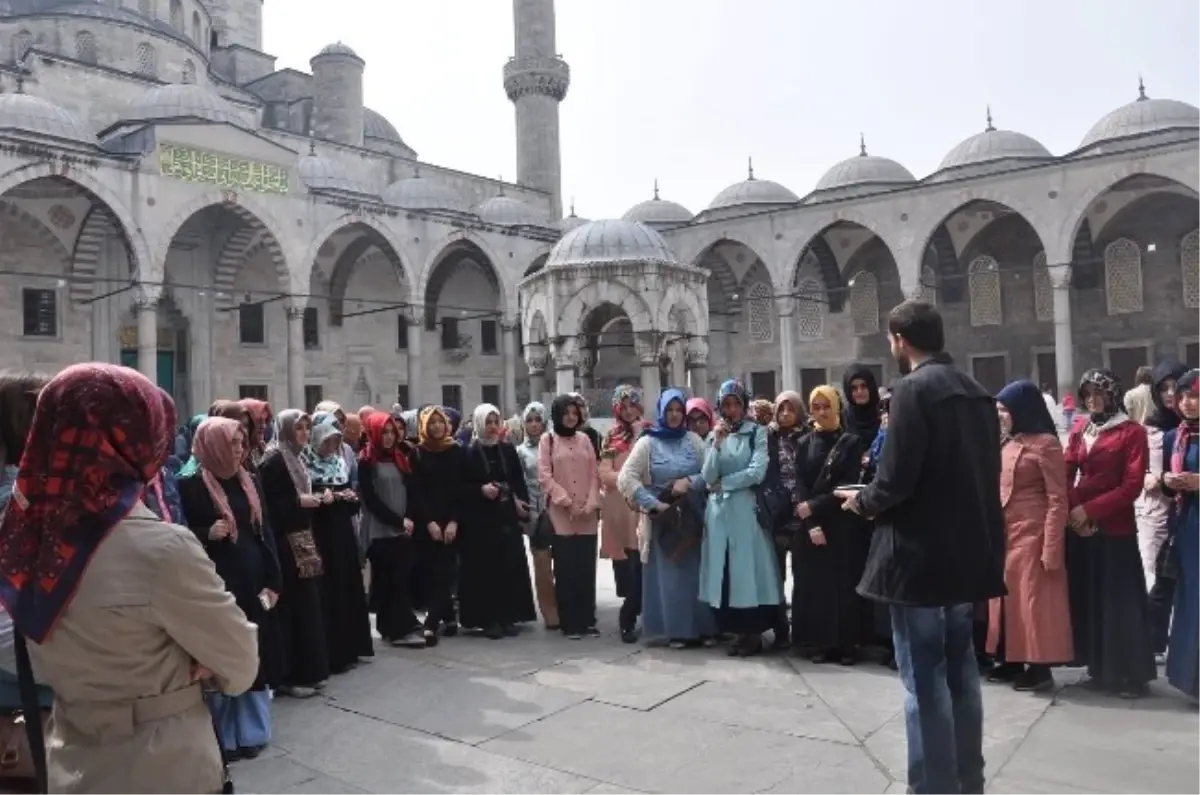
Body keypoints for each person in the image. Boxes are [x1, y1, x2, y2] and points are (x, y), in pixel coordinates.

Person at [0, 363, 258, 794]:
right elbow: (241, 663)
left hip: (72, 760)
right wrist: (191, 657)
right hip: (162, 767)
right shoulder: (159, 549)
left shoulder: (23, 536)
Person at [836, 301, 1005, 795]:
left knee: (924, 682)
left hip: (919, 558)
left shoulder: (912, 390)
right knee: (962, 674)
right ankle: (966, 781)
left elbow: (897, 480)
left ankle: (933, 787)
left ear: (900, 340)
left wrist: (861, 502)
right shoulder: (976, 391)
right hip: (966, 555)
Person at [178, 417, 284, 760]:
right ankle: (222, 735)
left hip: (252, 580)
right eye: (233, 443)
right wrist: (205, 532)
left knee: (252, 652)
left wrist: (274, 580)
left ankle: (252, 732)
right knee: (220, 656)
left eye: (241, 443)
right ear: (213, 445)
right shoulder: (191, 485)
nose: (239, 450)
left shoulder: (248, 480)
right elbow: (176, 537)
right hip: (216, 584)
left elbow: (263, 532)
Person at [1064, 369, 1156, 698]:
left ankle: (1133, 674)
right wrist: (1076, 513)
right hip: (1082, 528)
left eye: (1098, 393)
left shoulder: (1132, 433)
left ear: (1113, 394)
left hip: (1116, 526)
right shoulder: (1080, 428)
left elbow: (1131, 486)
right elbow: (1066, 471)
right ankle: (1100, 669)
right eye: (1087, 394)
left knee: (1121, 604)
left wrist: (1090, 511)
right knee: (1093, 600)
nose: (1092, 400)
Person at [985, 381, 1073, 693]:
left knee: (1034, 603)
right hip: (1008, 532)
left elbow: (1057, 498)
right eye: (1000, 412)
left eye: (1006, 411)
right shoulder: (1008, 442)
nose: (1003, 417)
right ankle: (1010, 659)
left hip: (1034, 533)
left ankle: (1038, 667)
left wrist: (1051, 546)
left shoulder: (1047, 444)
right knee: (1008, 601)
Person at [617, 388, 716, 648]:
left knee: (696, 575)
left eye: (678, 411)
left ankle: (702, 628)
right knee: (670, 578)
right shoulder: (648, 442)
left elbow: (711, 473)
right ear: (661, 411)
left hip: (693, 520)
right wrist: (654, 504)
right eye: (669, 410)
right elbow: (625, 478)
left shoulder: (694, 440)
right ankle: (677, 631)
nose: (674, 415)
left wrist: (689, 481)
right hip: (664, 523)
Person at [700, 379, 782, 658]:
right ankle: (735, 631)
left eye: (736, 404)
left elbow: (756, 472)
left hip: (745, 511)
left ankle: (753, 633)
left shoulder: (756, 433)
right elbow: (707, 476)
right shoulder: (714, 436)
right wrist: (717, 444)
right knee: (724, 572)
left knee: (746, 571)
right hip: (719, 514)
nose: (732, 410)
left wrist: (725, 484)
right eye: (726, 405)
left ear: (744, 405)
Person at [790, 386, 871, 664]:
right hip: (812, 529)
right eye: (817, 407)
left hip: (841, 522)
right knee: (817, 586)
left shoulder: (850, 442)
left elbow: (846, 485)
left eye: (827, 406)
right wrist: (810, 521)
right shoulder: (803, 443)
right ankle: (821, 642)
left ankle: (846, 645)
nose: (822, 412)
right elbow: (799, 484)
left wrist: (815, 506)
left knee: (843, 584)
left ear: (836, 407)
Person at [258, 409, 330, 698]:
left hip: (302, 540)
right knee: (294, 610)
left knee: (309, 607)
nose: (304, 434)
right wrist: (299, 502)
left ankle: (312, 670)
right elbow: (271, 507)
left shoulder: (297, 458)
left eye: (306, 428)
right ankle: (292, 675)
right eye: (298, 429)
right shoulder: (275, 459)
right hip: (285, 544)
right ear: (286, 430)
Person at [457, 404, 537, 638]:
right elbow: (460, 487)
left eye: (495, 422)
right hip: (480, 521)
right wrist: (481, 490)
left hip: (505, 517)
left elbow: (516, 479)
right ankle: (487, 619)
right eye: (488, 422)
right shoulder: (468, 452)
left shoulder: (507, 450)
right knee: (485, 570)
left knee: (508, 566)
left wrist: (519, 501)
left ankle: (508, 616)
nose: (492, 427)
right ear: (479, 423)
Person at [304, 412, 373, 673]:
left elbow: (353, 497)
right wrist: (324, 498)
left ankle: (351, 648)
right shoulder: (305, 463)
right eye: (327, 441)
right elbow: (306, 500)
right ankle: (333, 653)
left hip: (342, 535)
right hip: (320, 536)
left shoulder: (339, 463)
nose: (331, 447)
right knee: (328, 592)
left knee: (347, 587)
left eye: (335, 441)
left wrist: (347, 497)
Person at [358, 411, 424, 648]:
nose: (388, 437)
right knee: (390, 579)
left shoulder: (401, 457)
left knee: (399, 577)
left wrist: (409, 518)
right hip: (380, 529)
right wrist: (398, 521)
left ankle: (391, 626)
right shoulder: (366, 461)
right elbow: (371, 500)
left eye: (391, 432)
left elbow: (412, 490)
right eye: (383, 432)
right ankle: (400, 629)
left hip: (402, 528)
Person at [538, 394, 601, 639]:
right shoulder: (548, 440)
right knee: (566, 569)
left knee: (586, 569)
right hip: (562, 515)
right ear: (557, 414)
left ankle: (587, 619)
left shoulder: (585, 439)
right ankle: (571, 623)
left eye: (575, 413)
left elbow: (595, 474)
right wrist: (566, 502)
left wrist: (591, 503)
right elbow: (545, 476)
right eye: (566, 413)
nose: (571, 417)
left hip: (587, 514)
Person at [407, 406, 465, 645]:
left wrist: (453, 521)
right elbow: (416, 491)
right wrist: (429, 521)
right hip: (427, 521)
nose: (437, 427)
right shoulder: (417, 453)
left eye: (441, 422)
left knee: (445, 570)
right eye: (432, 423)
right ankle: (449, 617)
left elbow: (460, 489)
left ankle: (431, 622)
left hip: (451, 520)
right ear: (424, 426)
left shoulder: (456, 451)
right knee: (433, 570)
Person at [599, 385, 648, 643]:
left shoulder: (650, 432)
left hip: (643, 506)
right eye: (623, 405)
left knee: (643, 562)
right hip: (619, 509)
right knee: (627, 566)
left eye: (633, 405)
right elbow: (604, 474)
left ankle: (629, 615)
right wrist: (629, 480)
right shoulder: (611, 436)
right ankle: (629, 616)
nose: (628, 411)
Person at [1162, 369, 1200, 700]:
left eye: (1194, 396)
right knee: (1189, 602)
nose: (1187, 403)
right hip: (1186, 528)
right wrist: (1164, 481)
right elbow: (1164, 480)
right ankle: (1191, 680)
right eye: (1183, 396)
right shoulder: (1175, 436)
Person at [517, 402, 558, 629]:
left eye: (537, 420)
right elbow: (521, 483)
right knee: (542, 563)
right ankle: (550, 611)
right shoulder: (520, 451)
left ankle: (568, 605)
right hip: (536, 513)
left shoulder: (555, 446)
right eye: (529, 420)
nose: (534, 425)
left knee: (563, 560)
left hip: (558, 507)